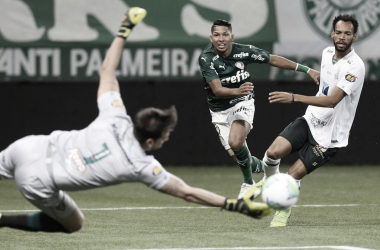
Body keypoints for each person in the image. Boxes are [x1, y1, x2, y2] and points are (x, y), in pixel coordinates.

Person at [0, 8, 272, 234]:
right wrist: (234, 206)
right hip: (38, 180)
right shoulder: (140, 166)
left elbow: (107, 69)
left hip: (28, 147)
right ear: (151, 141)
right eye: (165, 136)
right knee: (74, 223)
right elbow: (187, 192)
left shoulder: (114, 116)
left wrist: (124, 30)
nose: (167, 139)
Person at [256, 14, 365, 227]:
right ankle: (271, 182)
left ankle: (282, 210)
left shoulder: (355, 66)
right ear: (332, 33)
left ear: (355, 37)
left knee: (292, 175)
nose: (342, 37)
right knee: (271, 154)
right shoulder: (326, 53)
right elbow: (326, 78)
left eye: (347, 33)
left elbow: (333, 100)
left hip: (330, 138)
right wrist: (313, 74)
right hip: (310, 120)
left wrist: (294, 97)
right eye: (339, 32)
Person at [198, 20, 320, 199]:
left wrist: (307, 69)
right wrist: (235, 90)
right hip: (219, 110)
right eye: (217, 35)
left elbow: (272, 59)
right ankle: (264, 168)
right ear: (211, 38)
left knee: (235, 141)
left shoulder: (243, 51)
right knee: (241, 158)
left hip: (242, 101)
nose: (221, 39)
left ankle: (247, 183)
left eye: (225, 34)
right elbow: (217, 90)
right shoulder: (206, 58)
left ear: (232, 37)